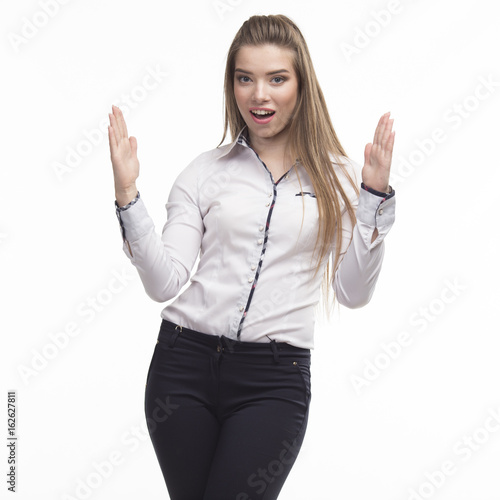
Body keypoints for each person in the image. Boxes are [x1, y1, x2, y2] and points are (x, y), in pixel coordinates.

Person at [108, 13, 395, 500]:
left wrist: (373, 197)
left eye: (276, 79)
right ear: (232, 86)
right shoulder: (204, 172)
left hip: (274, 382)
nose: (259, 94)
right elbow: (164, 281)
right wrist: (128, 193)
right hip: (182, 368)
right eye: (245, 78)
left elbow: (353, 293)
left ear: (301, 86)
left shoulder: (343, 178)